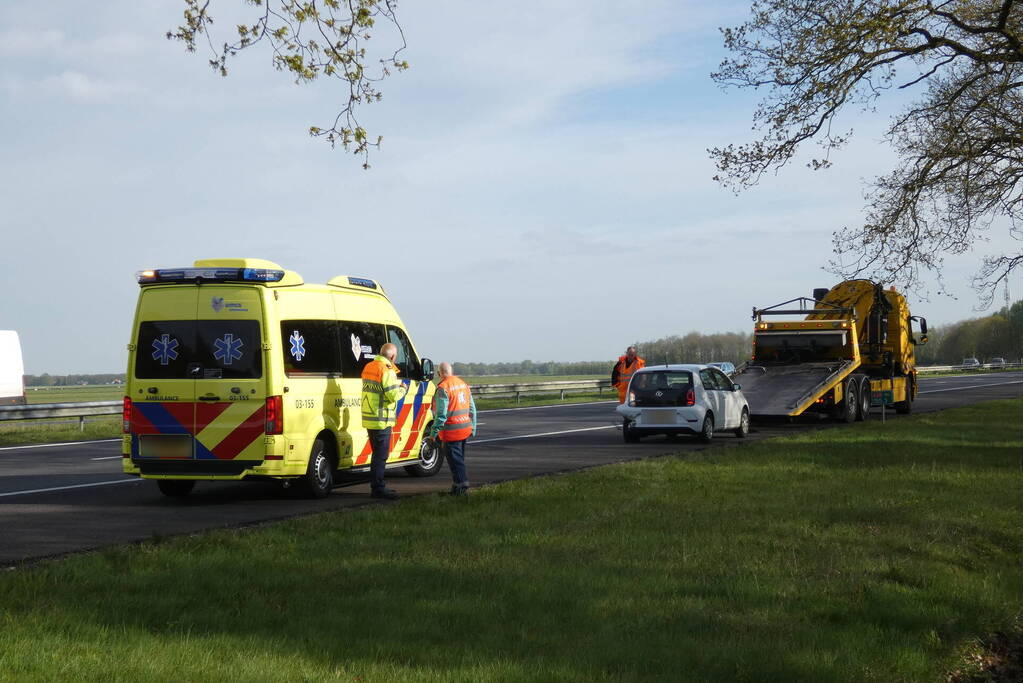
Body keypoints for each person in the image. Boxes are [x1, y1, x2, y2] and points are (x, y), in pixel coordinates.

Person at [361, 342, 408, 499]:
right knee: (380, 456)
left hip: (370, 417)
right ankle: (378, 488)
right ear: (393, 356)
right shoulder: (386, 370)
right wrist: (403, 388)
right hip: (382, 419)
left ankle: (378, 486)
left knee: (377, 454)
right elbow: (393, 395)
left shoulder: (369, 366)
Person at [428, 362, 477, 496]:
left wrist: (433, 433)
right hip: (464, 429)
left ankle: (462, 488)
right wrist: (474, 426)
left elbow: (441, 415)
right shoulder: (463, 384)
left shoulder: (443, 388)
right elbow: (472, 408)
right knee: (459, 460)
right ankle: (457, 487)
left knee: (455, 462)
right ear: (451, 371)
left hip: (451, 432)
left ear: (439, 374)